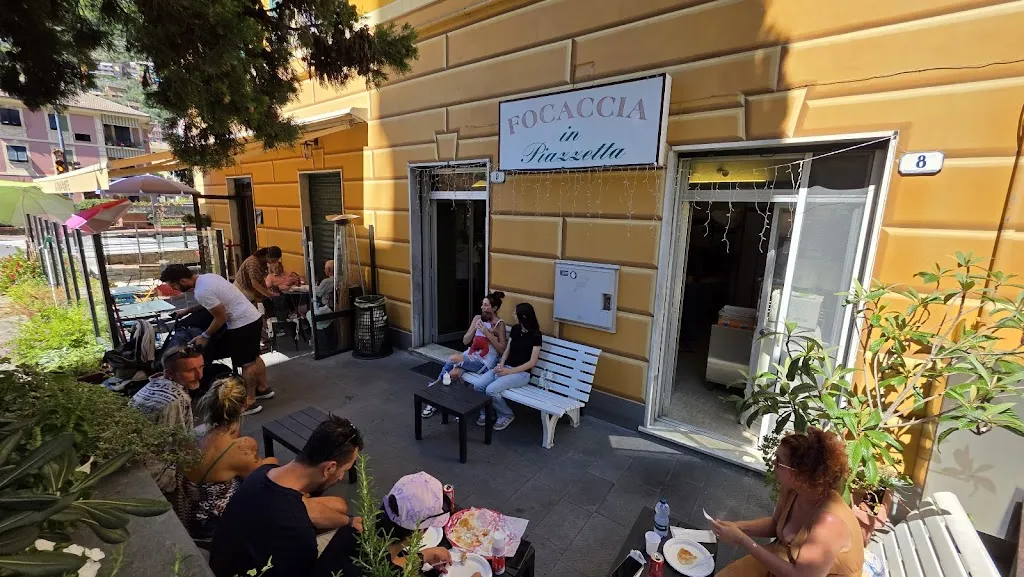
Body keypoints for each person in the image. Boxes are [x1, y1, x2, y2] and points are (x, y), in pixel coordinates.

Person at [209, 416, 364, 577]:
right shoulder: (299, 534)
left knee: (341, 513)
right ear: (329, 468)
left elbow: (302, 507)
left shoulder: (264, 473)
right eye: (344, 470)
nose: (341, 477)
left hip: (224, 564)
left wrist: (349, 521)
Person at [710, 427, 864, 577]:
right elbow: (775, 524)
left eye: (779, 461)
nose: (773, 463)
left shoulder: (829, 523)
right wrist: (738, 527)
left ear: (801, 475)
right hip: (782, 557)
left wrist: (743, 540)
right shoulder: (793, 489)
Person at [173, 376, 279, 539]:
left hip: (188, 516)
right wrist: (271, 461)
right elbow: (264, 481)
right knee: (273, 469)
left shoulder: (193, 434)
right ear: (244, 406)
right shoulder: (238, 450)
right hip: (215, 525)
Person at [160, 264, 273, 415]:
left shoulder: (201, 291)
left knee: (247, 365)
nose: (174, 289)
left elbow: (221, 317)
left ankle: (249, 402)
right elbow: (212, 303)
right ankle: (263, 388)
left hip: (242, 325)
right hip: (253, 318)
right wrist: (188, 310)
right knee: (254, 357)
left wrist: (204, 336)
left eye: (173, 285)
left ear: (182, 280)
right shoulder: (208, 278)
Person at [313, 472, 460, 577]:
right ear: (417, 533)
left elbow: (390, 560)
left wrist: (423, 556)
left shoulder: (354, 528)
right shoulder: (383, 571)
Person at [421, 291, 507, 419]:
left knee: (452, 358)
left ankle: (434, 387)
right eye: (482, 305)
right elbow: (465, 341)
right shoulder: (477, 318)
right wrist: (474, 329)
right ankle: (453, 404)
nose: (482, 307)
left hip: (484, 363)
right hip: (470, 357)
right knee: (452, 374)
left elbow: (502, 350)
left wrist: (487, 333)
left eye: (486, 305)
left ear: (494, 308)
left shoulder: (499, 324)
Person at [131, 345, 204, 492]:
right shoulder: (176, 399)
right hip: (155, 474)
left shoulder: (153, 383)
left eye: (201, 367)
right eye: (190, 371)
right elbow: (180, 445)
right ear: (169, 373)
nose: (199, 375)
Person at [470, 302, 542, 431]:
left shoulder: (536, 335)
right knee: (478, 385)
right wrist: (501, 365)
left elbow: (531, 363)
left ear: (523, 316)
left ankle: (506, 414)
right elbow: (507, 351)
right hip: (506, 367)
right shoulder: (515, 329)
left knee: (491, 390)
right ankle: (486, 412)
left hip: (521, 374)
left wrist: (509, 371)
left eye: (515, 313)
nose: (513, 315)